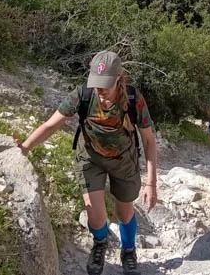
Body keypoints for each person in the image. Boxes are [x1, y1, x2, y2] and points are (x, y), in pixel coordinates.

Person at [17, 51, 157, 275]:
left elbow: (149, 140)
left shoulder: (133, 98)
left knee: (125, 213)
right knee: (95, 216)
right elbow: (51, 125)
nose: (100, 89)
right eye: (97, 82)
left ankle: (128, 250)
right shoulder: (82, 95)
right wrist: (25, 147)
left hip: (124, 161)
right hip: (91, 159)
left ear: (118, 78)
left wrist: (151, 183)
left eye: (105, 84)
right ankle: (100, 243)